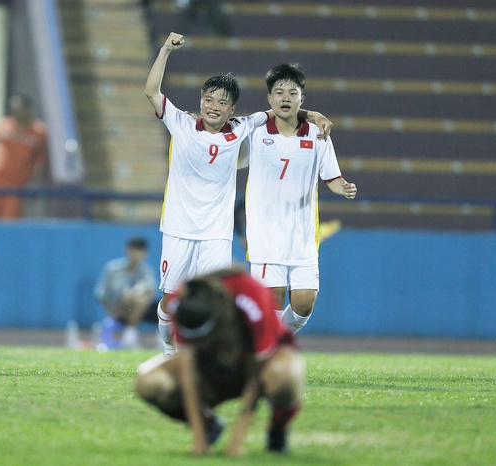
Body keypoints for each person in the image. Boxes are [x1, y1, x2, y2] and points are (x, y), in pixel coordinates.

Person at [145, 32, 332, 356]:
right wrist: (164, 50)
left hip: (216, 234)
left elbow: (281, 109)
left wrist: (311, 114)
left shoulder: (243, 127)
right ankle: (167, 345)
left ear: (232, 109)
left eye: (221, 102)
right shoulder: (181, 123)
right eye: (208, 100)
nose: (213, 107)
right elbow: (151, 91)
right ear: (200, 101)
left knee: (215, 298)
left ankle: (207, 353)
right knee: (172, 299)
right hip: (178, 227)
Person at [136, 268, 305, 455]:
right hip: (212, 368)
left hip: (259, 367)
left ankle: (278, 428)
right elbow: (187, 370)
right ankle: (209, 425)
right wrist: (199, 439)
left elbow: (256, 371)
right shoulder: (182, 301)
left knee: (285, 375)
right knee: (148, 382)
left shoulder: (252, 294)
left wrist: (236, 441)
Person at [242, 63, 357, 334]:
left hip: (302, 236)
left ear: (301, 99)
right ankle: (268, 354)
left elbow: (332, 178)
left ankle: (269, 341)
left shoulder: (318, 135)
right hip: (265, 235)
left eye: (292, 93)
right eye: (279, 93)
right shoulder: (254, 133)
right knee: (269, 303)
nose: (286, 98)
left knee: (304, 305)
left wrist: (345, 187)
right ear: (269, 99)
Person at [0, 94, 47, 220]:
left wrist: (34, 180)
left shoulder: (39, 132)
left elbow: (41, 159)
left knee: (10, 216)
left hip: (17, 183)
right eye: (13, 110)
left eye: (19, 109)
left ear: (28, 109)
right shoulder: (5, 125)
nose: (15, 113)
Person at [94, 237, 158, 349]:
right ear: (128, 250)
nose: (137, 255)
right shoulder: (113, 269)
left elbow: (151, 288)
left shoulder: (146, 271)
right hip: (116, 308)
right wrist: (112, 310)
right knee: (134, 298)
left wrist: (136, 292)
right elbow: (100, 293)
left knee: (140, 298)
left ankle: (130, 331)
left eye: (140, 251)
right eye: (134, 251)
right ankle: (130, 333)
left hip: (139, 308)